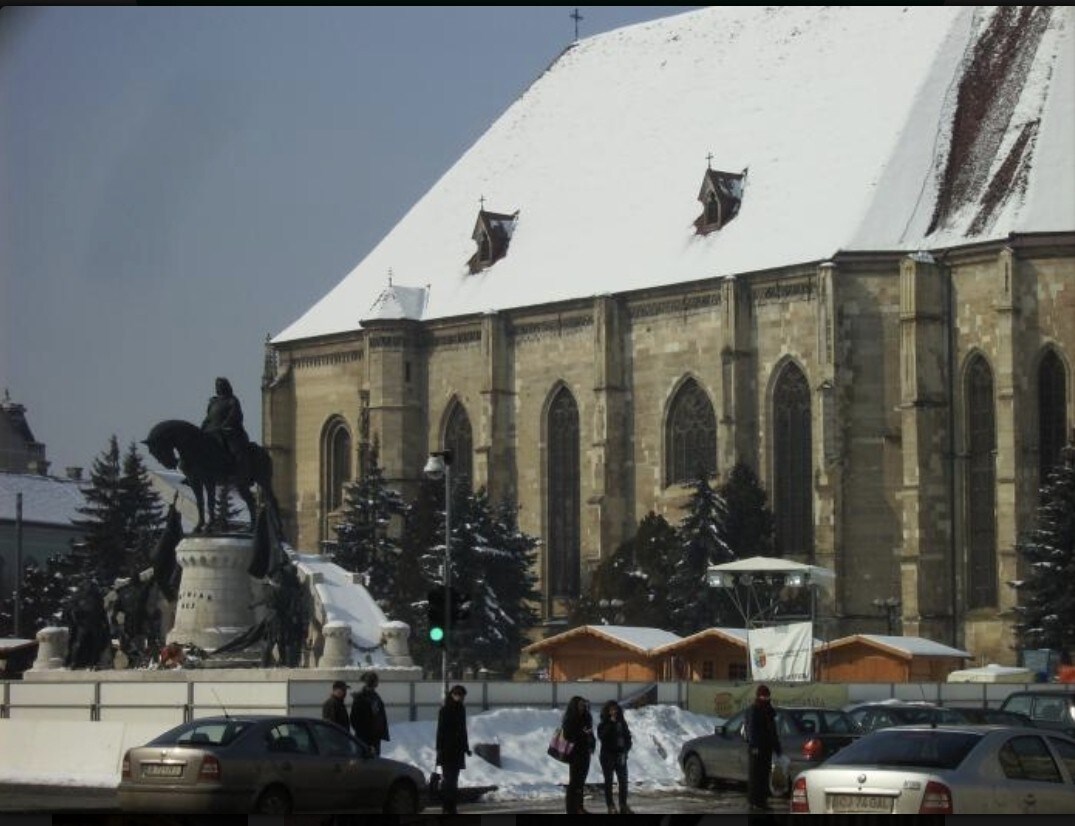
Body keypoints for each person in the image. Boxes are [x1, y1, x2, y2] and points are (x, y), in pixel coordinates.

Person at [744, 683, 782, 811]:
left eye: (767, 696)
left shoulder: (770, 711)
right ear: (759, 696)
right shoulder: (753, 710)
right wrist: (754, 746)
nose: (766, 699)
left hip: (767, 748)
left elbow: (773, 731)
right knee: (755, 776)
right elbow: (751, 729)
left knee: (765, 776)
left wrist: (777, 748)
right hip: (756, 749)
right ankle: (753, 802)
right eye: (764, 696)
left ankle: (762, 801)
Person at [435, 684, 471, 815]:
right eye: (459, 696)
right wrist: (439, 749)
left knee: (454, 779)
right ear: (453, 695)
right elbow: (440, 731)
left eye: (463, 697)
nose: (461, 699)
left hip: (458, 750)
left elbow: (463, 730)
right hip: (447, 749)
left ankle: (452, 806)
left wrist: (466, 747)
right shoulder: (445, 710)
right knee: (448, 780)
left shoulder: (461, 709)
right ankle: (447, 806)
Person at [202, 376, 250, 471]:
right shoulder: (213, 402)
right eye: (217, 386)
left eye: (220, 385)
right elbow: (208, 417)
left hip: (228, 432)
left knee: (236, 451)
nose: (218, 388)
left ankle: (240, 472)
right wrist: (202, 428)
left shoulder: (232, 400)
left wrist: (223, 426)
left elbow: (234, 415)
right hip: (211, 431)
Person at [561, 695, 596, 814]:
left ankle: (579, 807)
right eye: (580, 705)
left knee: (581, 782)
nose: (583, 707)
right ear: (574, 706)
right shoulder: (570, 718)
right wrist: (582, 733)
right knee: (574, 782)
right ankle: (571, 809)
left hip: (585, 752)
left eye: (584, 704)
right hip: (575, 754)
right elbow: (567, 736)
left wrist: (592, 744)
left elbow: (590, 733)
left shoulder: (587, 717)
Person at [597, 699, 633, 814]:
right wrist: (611, 723)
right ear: (607, 711)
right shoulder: (603, 723)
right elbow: (602, 737)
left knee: (623, 781)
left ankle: (623, 805)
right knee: (609, 781)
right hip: (607, 756)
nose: (614, 711)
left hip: (621, 755)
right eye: (611, 709)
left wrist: (626, 748)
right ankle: (610, 806)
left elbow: (628, 737)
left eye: (615, 709)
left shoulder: (622, 722)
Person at [350, 672, 390, 755]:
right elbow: (354, 719)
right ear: (372, 682)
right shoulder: (361, 698)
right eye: (376, 681)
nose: (377, 683)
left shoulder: (375, 696)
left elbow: (379, 715)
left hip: (375, 738)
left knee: (374, 763)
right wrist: (365, 736)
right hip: (365, 739)